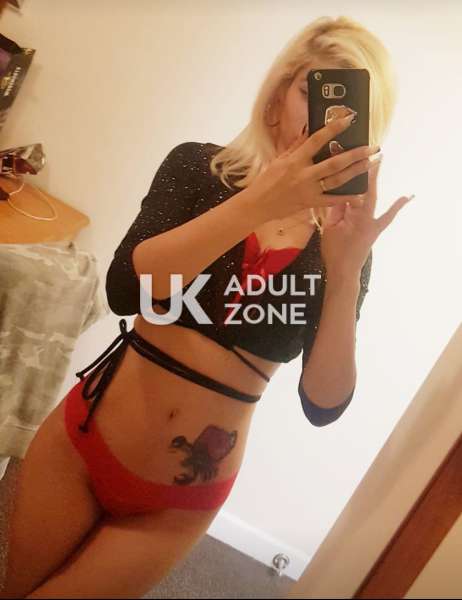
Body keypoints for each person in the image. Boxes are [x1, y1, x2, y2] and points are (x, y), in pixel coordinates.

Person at [0, 15, 413, 598]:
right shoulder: (198, 168)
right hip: (83, 441)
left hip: (177, 500)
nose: (326, 122)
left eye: (348, 110)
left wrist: (345, 274)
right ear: (279, 94)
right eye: (314, 94)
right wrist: (258, 203)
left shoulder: (344, 245)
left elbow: (323, 404)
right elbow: (126, 290)